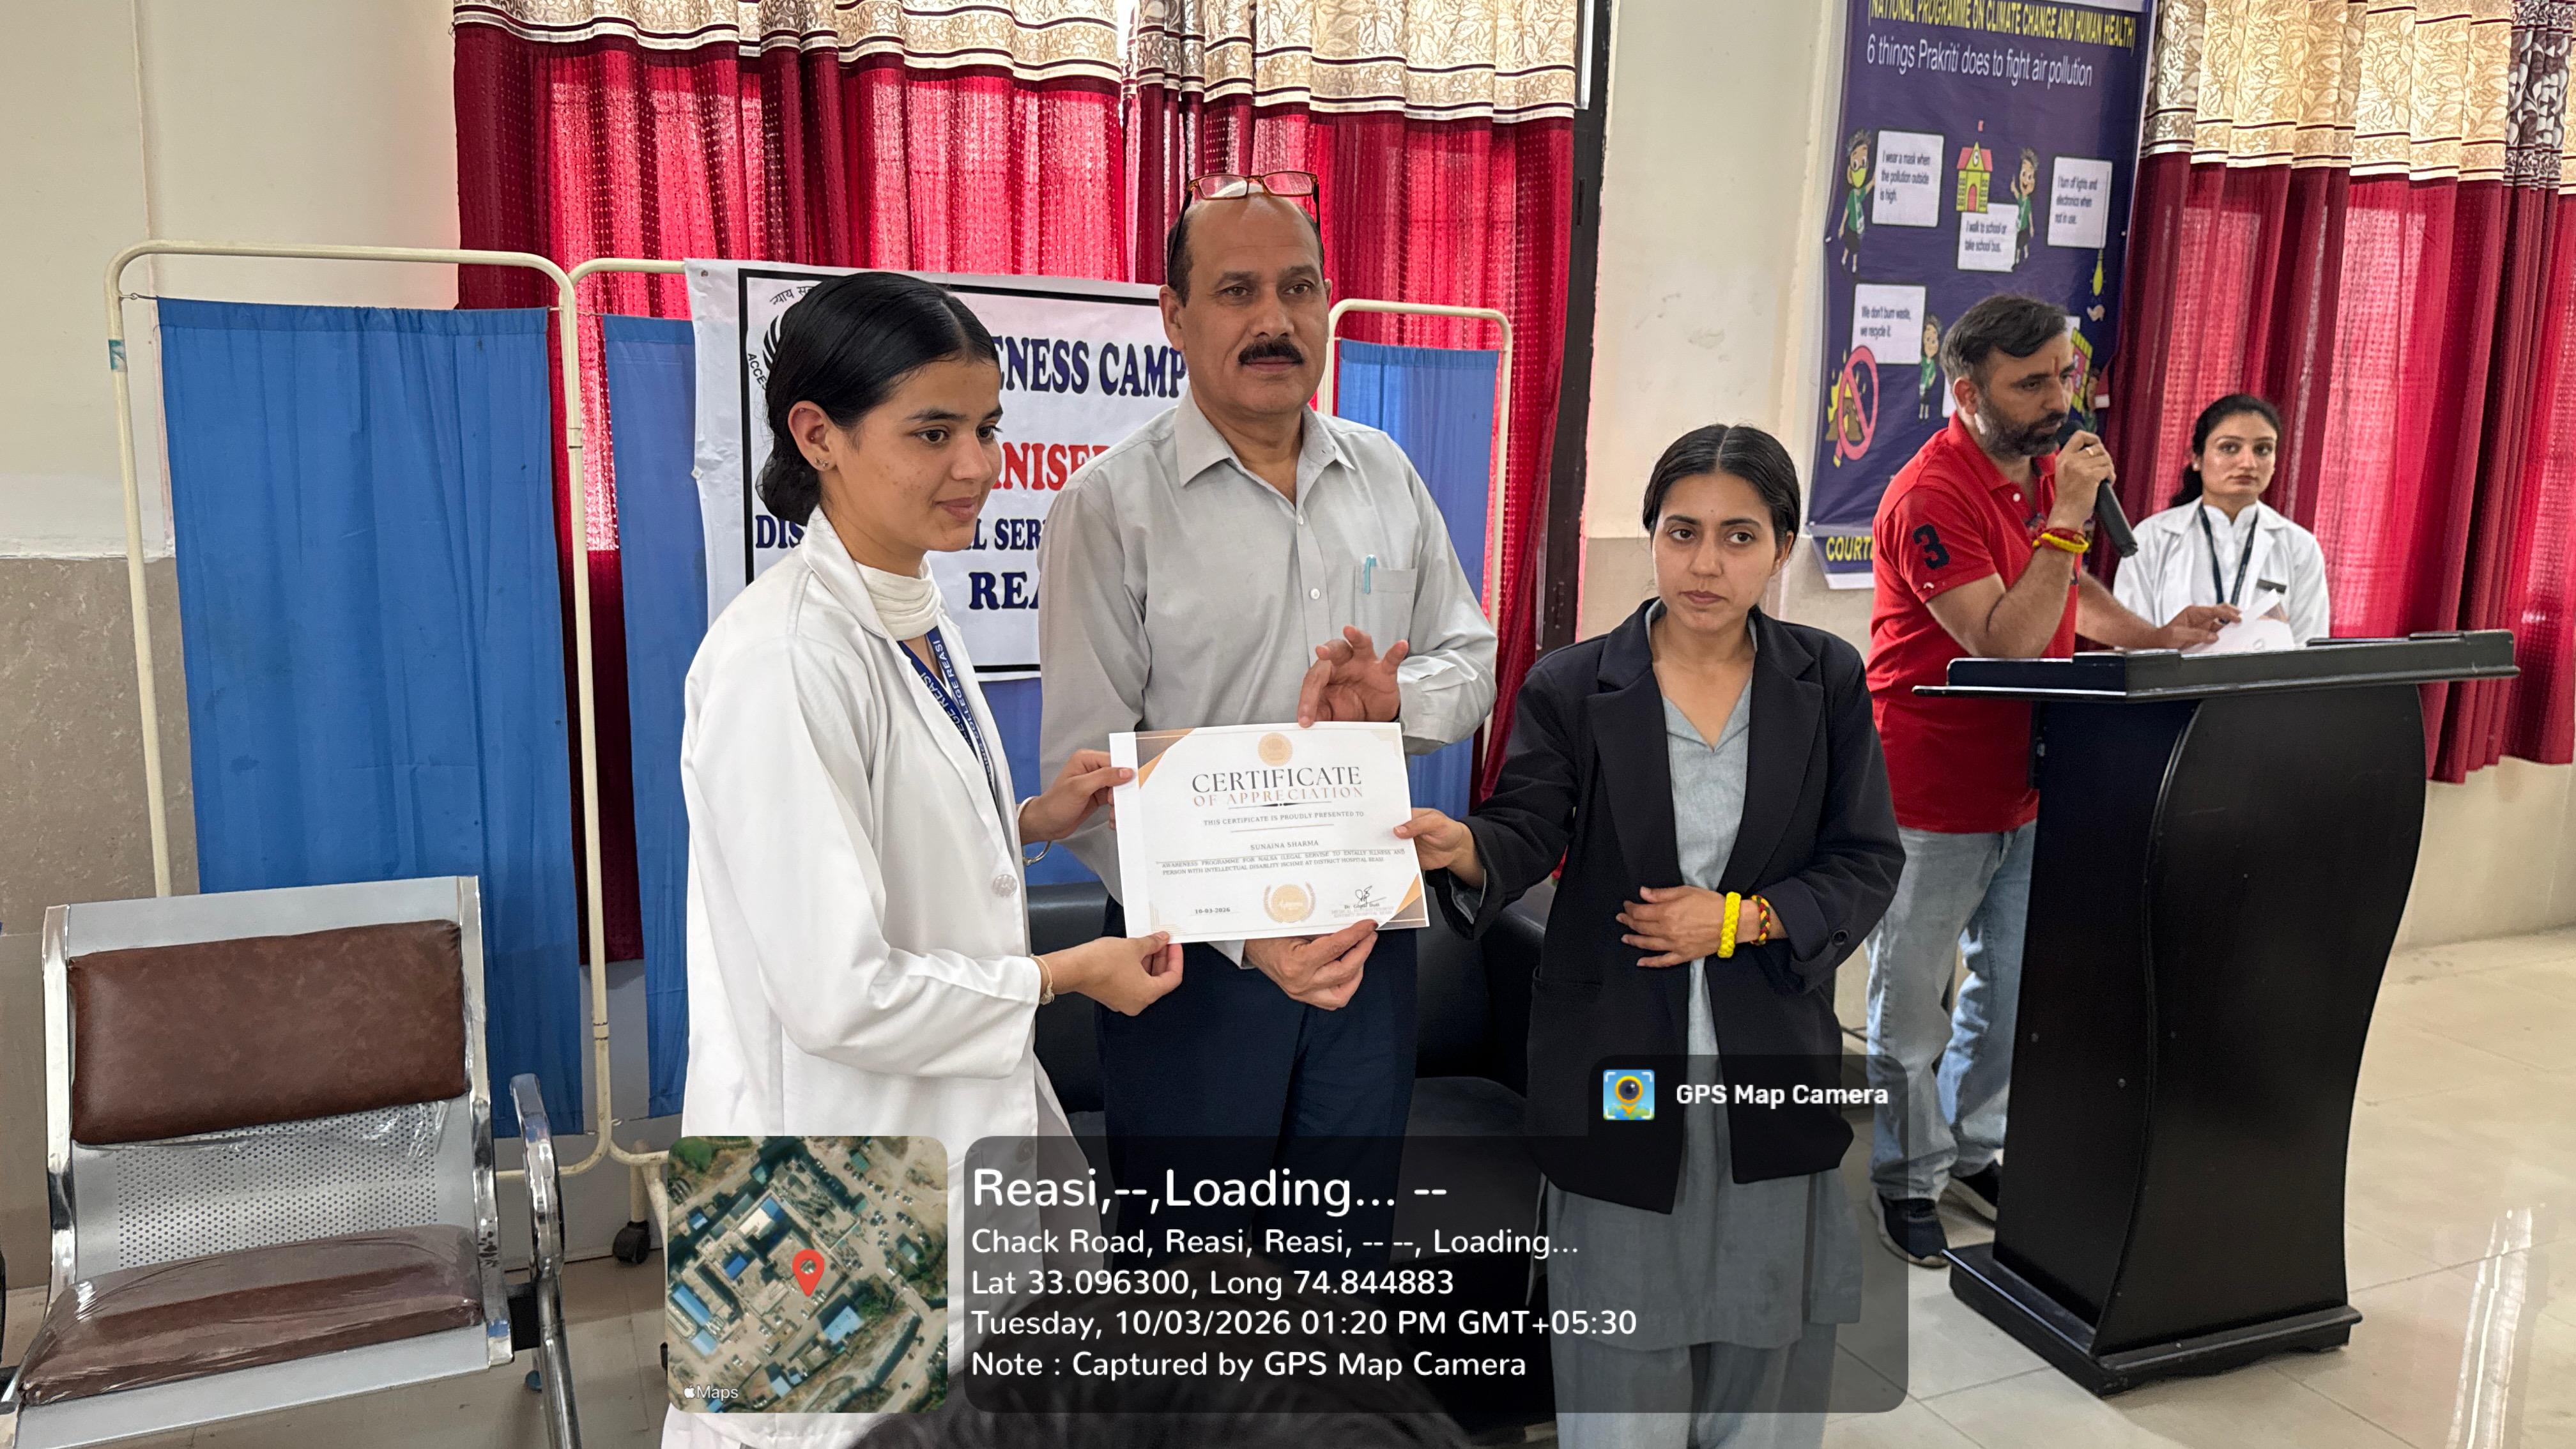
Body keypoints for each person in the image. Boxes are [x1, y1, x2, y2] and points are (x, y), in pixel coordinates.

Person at [668, 272, 1184, 1449]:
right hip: (832, 1152)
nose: (977, 466)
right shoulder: (784, 659)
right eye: (933, 432)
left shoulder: (914, 609)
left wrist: (1029, 820)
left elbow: (883, 839)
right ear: (818, 434)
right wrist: (1066, 974)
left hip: (942, 1135)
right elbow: (836, 990)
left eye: (988, 428)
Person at [1401, 425, 1902, 1448]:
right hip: (1620, 1061)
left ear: (1782, 547)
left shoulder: (1826, 679)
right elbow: (1526, 826)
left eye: (1738, 536)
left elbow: (1865, 858)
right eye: (1682, 532)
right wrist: (1466, 847)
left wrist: (1742, 920)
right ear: (1652, 536)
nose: (1706, 564)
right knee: (1619, 1364)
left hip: (1767, 1059)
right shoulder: (1575, 684)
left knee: (1764, 1357)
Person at [1037, 173, 1498, 1262]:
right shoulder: (1109, 507)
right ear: (1174, 313)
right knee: (1194, 1277)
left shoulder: (1386, 474)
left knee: (1341, 1261)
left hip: (1362, 938)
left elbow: (1472, 662)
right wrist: (1247, 935)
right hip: (1189, 962)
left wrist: (1397, 700)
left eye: (1298, 288)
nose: (1274, 320)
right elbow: (1089, 778)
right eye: (1236, 290)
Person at [1862, 293, 2235, 1268]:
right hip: (1932, 793)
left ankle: (1971, 1151)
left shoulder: (2035, 471)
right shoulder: (1929, 495)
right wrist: (2069, 516)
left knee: (2011, 989)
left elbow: (2068, 589)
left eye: (2065, 376)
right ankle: (1905, 1179)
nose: (2059, 400)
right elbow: (2004, 642)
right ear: (1966, 392)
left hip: (2034, 781)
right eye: (2030, 384)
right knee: (1912, 1004)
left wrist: (2156, 636)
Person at [2113, 394, 2332, 644]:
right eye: (2229, 448)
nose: (2248, 463)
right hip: (2172, 671)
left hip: (2267, 672)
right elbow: (2131, 641)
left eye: (2263, 449)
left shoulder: (2300, 547)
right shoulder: (2153, 537)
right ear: (2197, 458)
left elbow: (2309, 648)